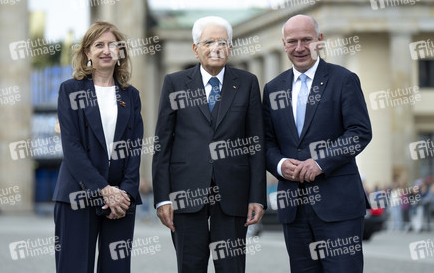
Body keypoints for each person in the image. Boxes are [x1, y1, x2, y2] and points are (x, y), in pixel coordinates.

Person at [152, 16, 266, 273]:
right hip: (185, 193)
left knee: (231, 267)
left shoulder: (247, 83)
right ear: (195, 48)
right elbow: (162, 144)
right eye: (209, 42)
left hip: (233, 194)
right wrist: (162, 199)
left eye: (222, 42)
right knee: (190, 266)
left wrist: (257, 197)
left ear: (230, 48)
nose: (216, 47)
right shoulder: (175, 83)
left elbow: (256, 144)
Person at [262, 14, 372, 272]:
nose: (299, 48)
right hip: (294, 209)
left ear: (319, 41)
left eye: (306, 40)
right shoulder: (272, 88)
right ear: (284, 44)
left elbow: (359, 132)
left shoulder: (344, 79)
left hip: (339, 207)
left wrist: (321, 162)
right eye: (292, 41)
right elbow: (266, 141)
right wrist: (279, 165)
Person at [53, 21, 143, 273]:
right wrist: (104, 191)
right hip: (77, 196)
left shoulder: (131, 95)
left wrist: (124, 193)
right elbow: (71, 146)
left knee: (117, 268)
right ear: (87, 53)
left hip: (121, 202)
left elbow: (135, 147)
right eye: (99, 45)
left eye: (112, 45)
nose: (106, 50)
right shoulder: (70, 90)